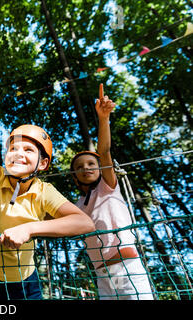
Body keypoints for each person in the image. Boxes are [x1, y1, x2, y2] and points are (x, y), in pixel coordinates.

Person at [0, 49, 95, 300]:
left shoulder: (43, 191)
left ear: (43, 164)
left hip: (25, 282)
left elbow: (84, 222)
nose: (18, 153)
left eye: (28, 150)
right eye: (13, 148)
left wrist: (30, 229)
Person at [70, 84, 153, 300]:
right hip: (102, 274)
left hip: (127, 268)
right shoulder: (77, 206)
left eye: (90, 164)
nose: (86, 168)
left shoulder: (107, 187)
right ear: (74, 177)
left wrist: (103, 118)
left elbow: (104, 151)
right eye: (79, 167)